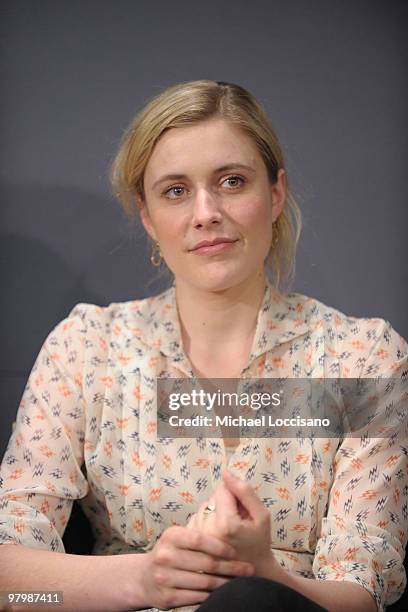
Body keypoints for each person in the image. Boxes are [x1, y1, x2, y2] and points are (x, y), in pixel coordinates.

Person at [0, 80, 406, 612]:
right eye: (175, 191)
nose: (206, 212)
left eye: (232, 181)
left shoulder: (364, 356)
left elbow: (365, 590)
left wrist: (262, 579)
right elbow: (13, 581)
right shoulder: (86, 349)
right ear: (147, 216)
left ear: (276, 193)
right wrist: (143, 580)